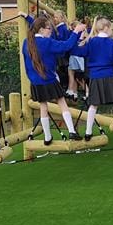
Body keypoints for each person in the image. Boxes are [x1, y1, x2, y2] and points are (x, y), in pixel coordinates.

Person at [71, 18, 113, 141]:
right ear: (106, 27)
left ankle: (88, 133)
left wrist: (80, 38)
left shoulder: (91, 42)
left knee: (93, 105)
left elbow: (78, 52)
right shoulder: (112, 43)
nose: (112, 31)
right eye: (112, 28)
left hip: (95, 77)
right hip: (109, 75)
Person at [22, 17, 86, 145]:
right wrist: (76, 32)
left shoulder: (26, 42)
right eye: (49, 28)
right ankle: (72, 131)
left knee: (43, 106)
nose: (51, 31)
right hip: (49, 79)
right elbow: (66, 46)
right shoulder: (47, 42)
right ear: (41, 29)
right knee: (62, 103)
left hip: (35, 82)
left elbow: (30, 62)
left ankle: (47, 137)